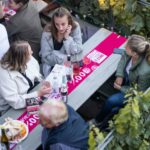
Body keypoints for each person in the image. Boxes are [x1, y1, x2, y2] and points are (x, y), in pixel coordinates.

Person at [95, 34, 150, 126]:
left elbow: (139, 92)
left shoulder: (144, 71)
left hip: (131, 89)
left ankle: (97, 121)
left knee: (111, 101)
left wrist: (120, 88)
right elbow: (124, 56)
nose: (124, 47)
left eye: (127, 47)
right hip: (126, 78)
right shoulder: (132, 53)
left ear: (134, 53)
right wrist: (119, 75)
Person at [0, 41, 51, 114]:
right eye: (30, 53)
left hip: (29, 95)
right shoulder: (4, 74)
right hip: (12, 108)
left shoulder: (27, 59)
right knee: (43, 115)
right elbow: (15, 101)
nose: (32, 52)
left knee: (50, 107)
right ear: (22, 59)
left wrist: (43, 82)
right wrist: (38, 93)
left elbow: (36, 74)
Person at [39, 7, 83, 77]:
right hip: (51, 67)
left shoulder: (75, 27)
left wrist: (67, 38)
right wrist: (67, 59)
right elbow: (46, 57)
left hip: (70, 67)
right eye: (57, 24)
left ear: (68, 21)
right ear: (53, 22)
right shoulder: (47, 32)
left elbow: (78, 49)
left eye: (63, 24)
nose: (60, 28)